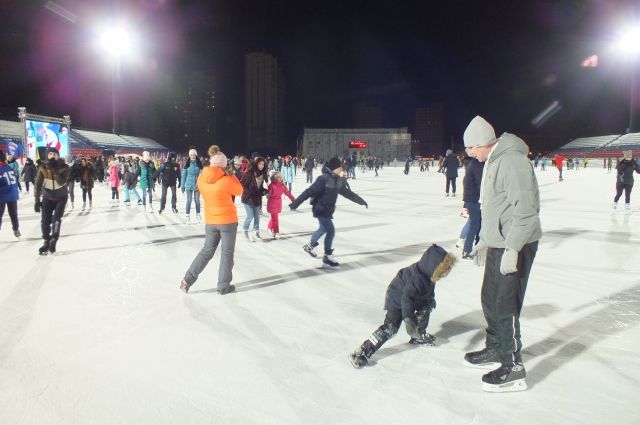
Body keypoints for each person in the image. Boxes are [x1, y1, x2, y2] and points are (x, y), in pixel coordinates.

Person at [463, 116, 542, 393]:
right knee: (490, 298)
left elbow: (525, 211)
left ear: (483, 142)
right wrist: (486, 240)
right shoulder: (494, 161)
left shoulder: (511, 161)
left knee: (505, 304)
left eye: (471, 148)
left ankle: (513, 366)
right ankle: (496, 348)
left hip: (516, 244)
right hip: (500, 242)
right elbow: (495, 207)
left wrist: (512, 249)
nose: (470, 154)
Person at [349, 244, 456, 368]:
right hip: (396, 298)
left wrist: (430, 300)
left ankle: (418, 334)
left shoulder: (430, 275)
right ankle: (364, 351)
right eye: (443, 271)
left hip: (412, 299)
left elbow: (428, 292)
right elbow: (406, 300)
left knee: (427, 306)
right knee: (391, 328)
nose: (444, 274)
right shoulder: (416, 278)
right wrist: (408, 319)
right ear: (433, 267)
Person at [180, 146, 243, 295]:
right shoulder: (227, 179)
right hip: (227, 221)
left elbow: (201, 187)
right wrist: (231, 174)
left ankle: (187, 280)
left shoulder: (202, 178)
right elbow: (240, 190)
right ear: (223, 165)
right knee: (227, 254)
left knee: (206, 251)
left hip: (210, 221)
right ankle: (223, 286)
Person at [289, 157, 368, 269]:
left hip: (328, 209)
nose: (342, 169)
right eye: (340, 167)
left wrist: (361, 201)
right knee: (330, 230)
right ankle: (327, 257)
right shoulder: (323, 179)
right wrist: (295, 203)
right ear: (335, 167)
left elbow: (348, 193)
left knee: (323, 229)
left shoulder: (337, 180)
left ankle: (310, 246)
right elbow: (308, 192)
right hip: (320, 208)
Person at [34, 147, 71, 254]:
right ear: (47, 155)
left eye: (55, 154)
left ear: (58, 155)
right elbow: (38, 184)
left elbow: (61, 182)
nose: (53, 156)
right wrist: (37, 200)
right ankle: (46, 241)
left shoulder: (65, 167)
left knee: (56, 219)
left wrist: (54, 169)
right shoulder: (43, 167)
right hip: (47, 197)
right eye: (50, 154)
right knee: (45, 221)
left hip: (61, 197)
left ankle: (54, 240)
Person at [240, 156, 268, 241]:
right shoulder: (249, 173)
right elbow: (242, 184)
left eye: (263, 164)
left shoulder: (262, 174)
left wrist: (265, 191)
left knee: (257, 217)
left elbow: (260, 188)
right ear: (256, 164)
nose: (262, 166)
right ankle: (244, 230)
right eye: (260, 164)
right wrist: (248, 193)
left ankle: (256, 233)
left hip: (256, 199)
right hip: (247, 199)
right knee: (250, 216)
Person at [461, 156, 484, 258]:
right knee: (475, 226)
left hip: (472, 199)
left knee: (477, 225)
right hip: (474, 199)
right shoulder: (477, 165)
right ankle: (467, 250)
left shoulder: (472, 164)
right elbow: (481, 184)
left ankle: (474, 249)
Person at [266, 171, 296, 239]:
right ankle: (276, 232)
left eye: (281, 177)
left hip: (278, 203)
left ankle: (269, 227)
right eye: (279, 177)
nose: (280, 179)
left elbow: (288, 193)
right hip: (272, 203)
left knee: (274, 217)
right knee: (275, 218)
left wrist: (294, 200)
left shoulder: (282, 185)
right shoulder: (272, 185)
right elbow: (269, 193)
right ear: (275, 178)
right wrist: (268, 194)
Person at [0, 150, 21, 237]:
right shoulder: (10, 168)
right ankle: (16, 229)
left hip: (2, 196)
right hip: (12, 195)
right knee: (13, 213)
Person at [181, 148, 203, 224]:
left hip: (197, 184)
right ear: (189, 155)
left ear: (196, 155)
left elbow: (202, 174)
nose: (192, 156)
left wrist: (200, 182)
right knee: (189, 200)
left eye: (194, 155)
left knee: (197, 200)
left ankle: (198, 215)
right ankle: (187, 217)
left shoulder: (199, 163)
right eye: (191, 155)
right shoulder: (186, 164)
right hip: (188, 184)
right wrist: (182, 187)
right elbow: (183, 175)